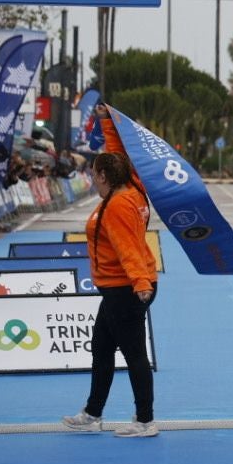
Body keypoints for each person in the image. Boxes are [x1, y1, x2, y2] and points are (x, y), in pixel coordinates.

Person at [61, 107, 160, 438]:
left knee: (134, 355)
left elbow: (128, 248)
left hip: (126, 288)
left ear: (104, 176)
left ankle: (145, 420)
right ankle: (93, 413)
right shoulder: (131, 186)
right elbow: (118, 155)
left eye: (93, 173)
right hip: (121, 287)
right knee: (101, 348)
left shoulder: (118, 205)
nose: (91, 178)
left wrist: (141, 284)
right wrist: (107, 121)